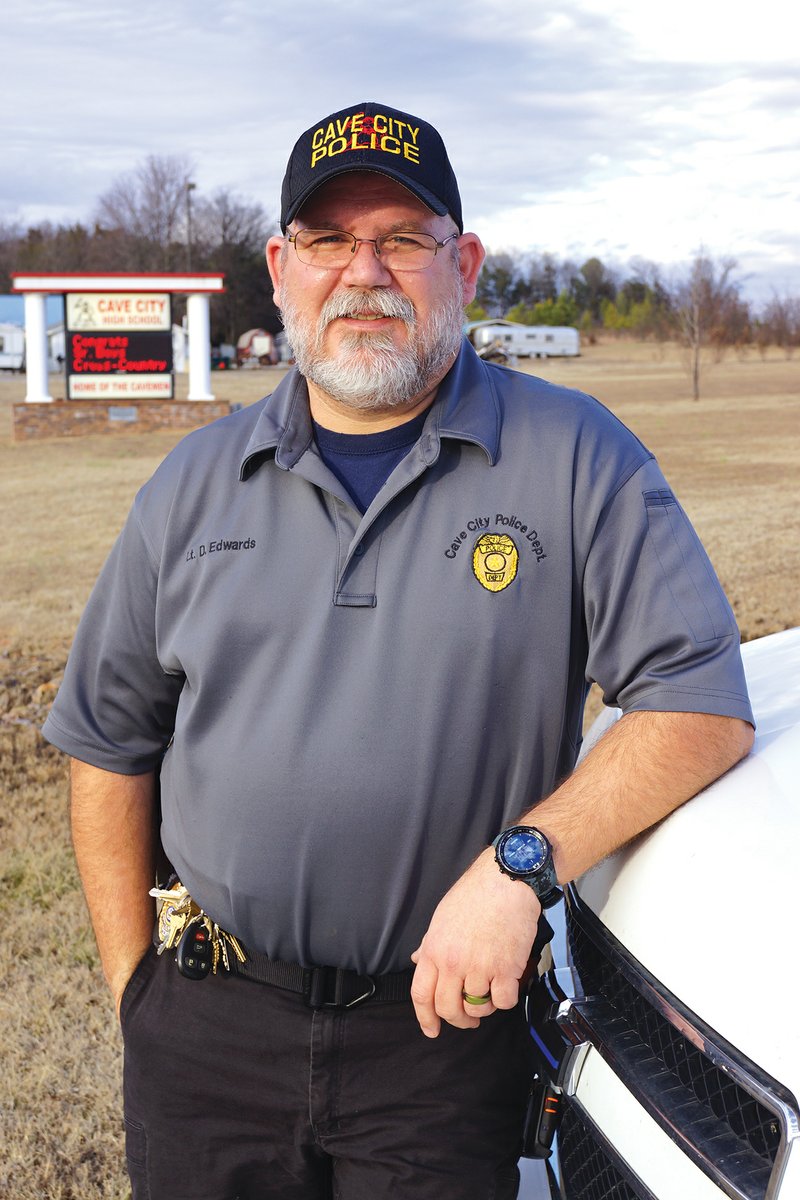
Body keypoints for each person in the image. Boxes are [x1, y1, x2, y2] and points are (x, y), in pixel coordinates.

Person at [43, 101, 754, 1200]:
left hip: (441, 1037)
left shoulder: (572, 458)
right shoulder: (191, 483)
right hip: (210, 1032)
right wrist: (139, 993)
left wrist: (516, 867)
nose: (362, 272)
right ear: (280, 268)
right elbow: (107, 741)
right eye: (329, 240)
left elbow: (695, 705)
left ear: (461, 263)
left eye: (401, 239)